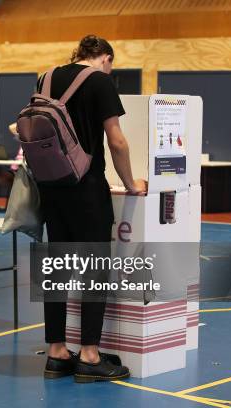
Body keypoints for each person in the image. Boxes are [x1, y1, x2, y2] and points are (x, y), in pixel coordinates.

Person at [37, 35, 147, 381]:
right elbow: (115, 139)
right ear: (106, 58)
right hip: (86, 188)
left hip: (51, 187)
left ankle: (56, 352)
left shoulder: (47, 77)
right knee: (94, 268)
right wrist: (131, 183)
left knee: (57, 266)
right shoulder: (100, 81)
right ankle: (89, 354)